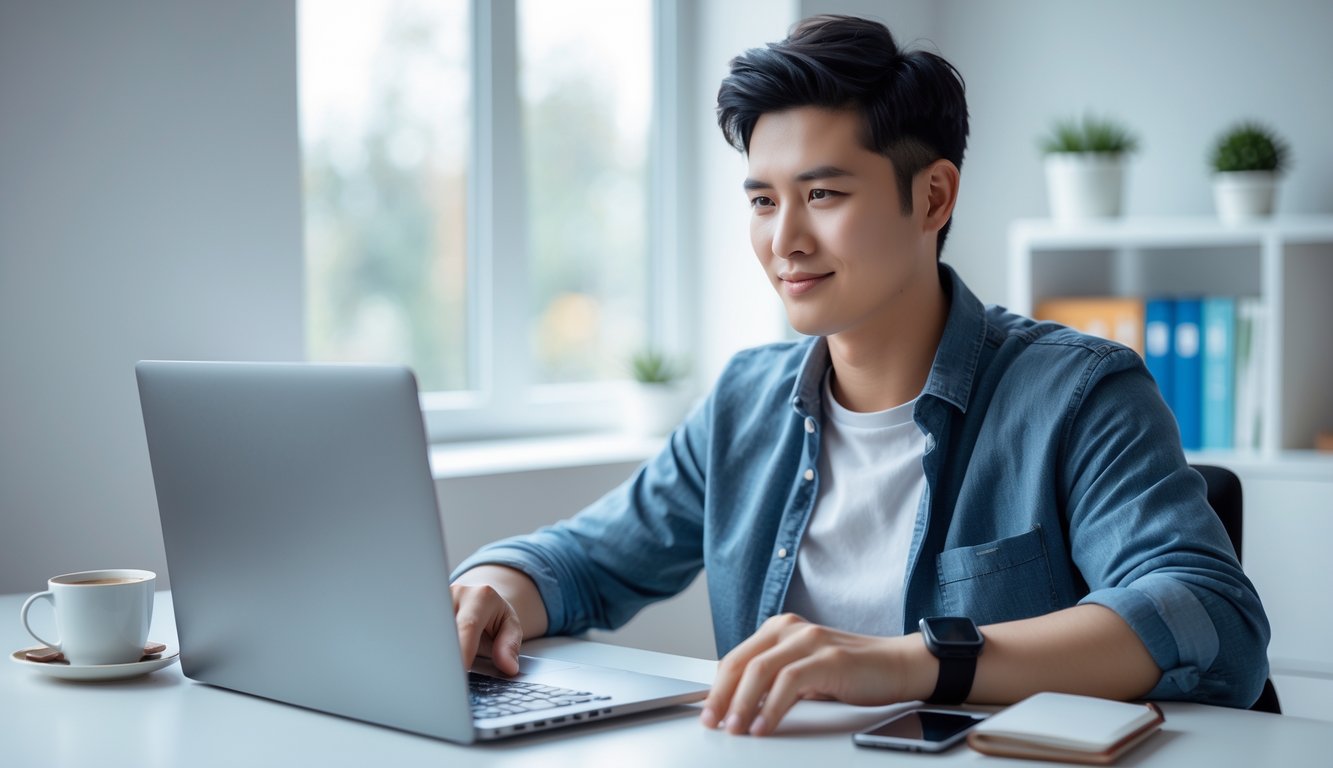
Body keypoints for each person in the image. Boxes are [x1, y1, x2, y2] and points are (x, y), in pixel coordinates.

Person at [450, 14, 1270, 737]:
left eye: (823, 193)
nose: (785, 241)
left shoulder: (1077, 393)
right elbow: (583, 563)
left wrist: (912, 662)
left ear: (933, 198)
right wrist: (492, 587)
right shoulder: (746, 401)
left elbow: (1207, 615)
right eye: (763, 201)